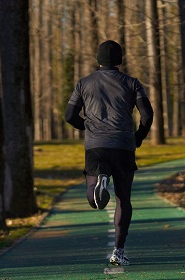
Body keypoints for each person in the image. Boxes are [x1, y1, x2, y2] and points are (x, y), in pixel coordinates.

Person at [65, 40, 153, 266]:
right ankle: (118, 251)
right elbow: (147, 114)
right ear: (120, 59)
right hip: (124, 145)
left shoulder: (83, 83)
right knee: (123, 199)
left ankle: (99, 182)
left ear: (98, 59)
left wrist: (86, 126)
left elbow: (69, 116)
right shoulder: (132, 83)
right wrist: (139, 136)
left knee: (93, 199)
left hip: (96, 146)